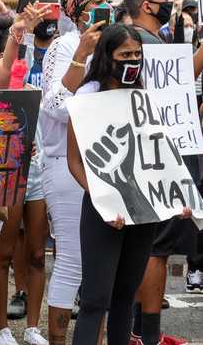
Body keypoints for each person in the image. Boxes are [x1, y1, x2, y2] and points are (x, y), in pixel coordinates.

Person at [66, 24, 163, 345]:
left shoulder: (144, 95)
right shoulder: (87, 95)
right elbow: (75, 162)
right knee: (95, 299)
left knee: (125, 296)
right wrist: (101, 199)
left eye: (137, 54)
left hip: (142, 209)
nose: (133, 61)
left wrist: (174, 198)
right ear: (108, 57)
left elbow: (160, 156)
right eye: (125, 55)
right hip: (102, 211)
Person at [121, 0, 203, 345]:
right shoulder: (143, 42)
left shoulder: (143, 40)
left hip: (154, 156)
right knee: (156, 249)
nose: (168, 1)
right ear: (146, 5)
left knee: (150, 246)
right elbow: (181, 83)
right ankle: (146, 334)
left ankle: (140, 330)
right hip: (160, 158)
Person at [39, 0, 111, 345]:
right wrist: (82, 55)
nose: (104, 10)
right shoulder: (63, 47)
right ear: (76, 13)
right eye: (94, 5)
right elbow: (54, 107)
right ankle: (58, 339)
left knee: (100, 262)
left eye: (106, 2)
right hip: (65, 163)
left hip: (105, 160)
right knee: (73, 259)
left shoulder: (116, 45)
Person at [0, 0, 58, 345]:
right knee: (3, 253)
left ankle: (33, 326)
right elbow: (9, 80)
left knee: (36, 252)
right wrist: (20, 32)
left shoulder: (56, 57)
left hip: (40, 167)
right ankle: (1, 327)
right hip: (9, 164)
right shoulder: (10, 63)